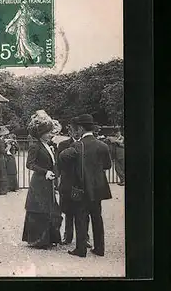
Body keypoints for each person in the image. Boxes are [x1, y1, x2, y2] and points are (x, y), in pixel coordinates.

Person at [59, 114, 112, 258]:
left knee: (80, 217)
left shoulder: (77, 145)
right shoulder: (103, 146)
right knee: (97, 217)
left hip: (82, 187)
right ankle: (100, 249)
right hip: (98, 188)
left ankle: (81, 249)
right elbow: (107, 165)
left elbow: (63, 157)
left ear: (81, 128)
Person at [22, 110, 62, 249]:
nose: (51, 134)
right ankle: (39, 240)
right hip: (39, 182)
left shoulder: (49, 145)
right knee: (40, 209)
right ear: (41, 133)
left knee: (50, 208)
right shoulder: (35, 145)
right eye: (48, 132)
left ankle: (50, 238)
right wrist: (45, 172)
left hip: (48, 182)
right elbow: (29, 164)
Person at [56, 118, 91, 247]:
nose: (75, 133)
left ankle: (84, 237)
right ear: (69, 130)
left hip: (82, 182)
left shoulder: (86, 144)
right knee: (68, 211)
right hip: (67, 182)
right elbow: (58, 164)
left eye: (77, 130)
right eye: (72, 130)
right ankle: (68, 235)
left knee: (84, 212)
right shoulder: (63, 145)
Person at [0, 126, 10, 195]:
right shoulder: (1, 142)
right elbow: (3, 151)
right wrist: (8, 147)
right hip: (1, 158)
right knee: (2, 174)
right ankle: (2, 190)